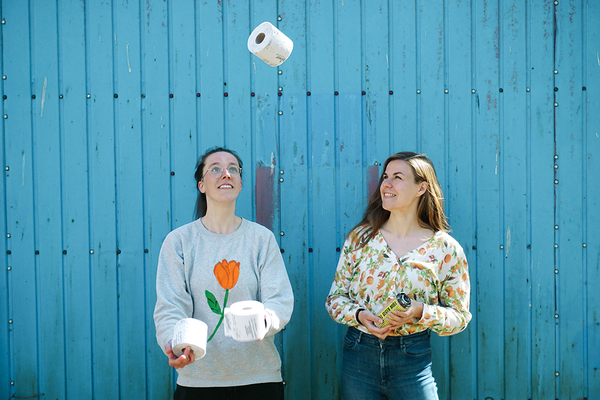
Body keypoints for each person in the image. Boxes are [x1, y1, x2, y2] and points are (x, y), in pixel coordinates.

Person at [325, 151, 471, 400]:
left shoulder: (445, 249)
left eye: (397, 177)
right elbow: (335, 300)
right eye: (385, 177)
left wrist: (420, 311)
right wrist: (360, 316)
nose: (386, 184)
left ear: (421, 188)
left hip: (412, 360)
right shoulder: (361, 239)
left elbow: (459, 317)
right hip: (359, 353)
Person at [154, 147, 294, 400]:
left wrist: (264, 322)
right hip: (198, 380)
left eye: (233, 169)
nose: (226, 174)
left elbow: (280, 300)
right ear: (202, 185)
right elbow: (170, 306)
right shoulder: (179, 242)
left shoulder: (261, 239)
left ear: (240, 184)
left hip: (259, 378)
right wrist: (175, 343)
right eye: (215, 169)